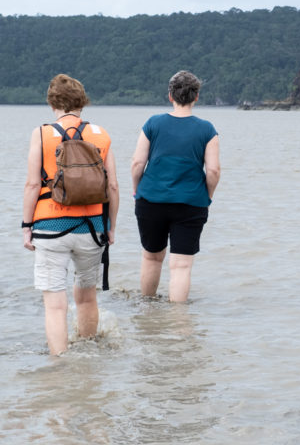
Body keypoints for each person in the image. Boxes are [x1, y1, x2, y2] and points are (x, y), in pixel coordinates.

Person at [21, 74, 119, 355]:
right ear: (82, 101)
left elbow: (31, 184)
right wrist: (110, 226)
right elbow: (112, 185)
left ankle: (60, 363)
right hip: (92, 228)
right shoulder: (101, 134)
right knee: (87, 297)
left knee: (55, 304)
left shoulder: (41, 133)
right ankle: (88, 352)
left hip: (50, 227)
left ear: (53, 102)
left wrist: (27, 225)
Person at [130, 70, 220, 303]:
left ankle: (148, 311)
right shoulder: (207, 130)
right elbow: (213, 171)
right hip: (191, 202)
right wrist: (207, 195)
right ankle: (178, 322)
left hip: (151, 200)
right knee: (181, 265)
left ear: (170, 95)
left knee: (151, 258)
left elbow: (138, 163)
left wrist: (136, 189)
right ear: (196, 96)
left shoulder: (153, 124)